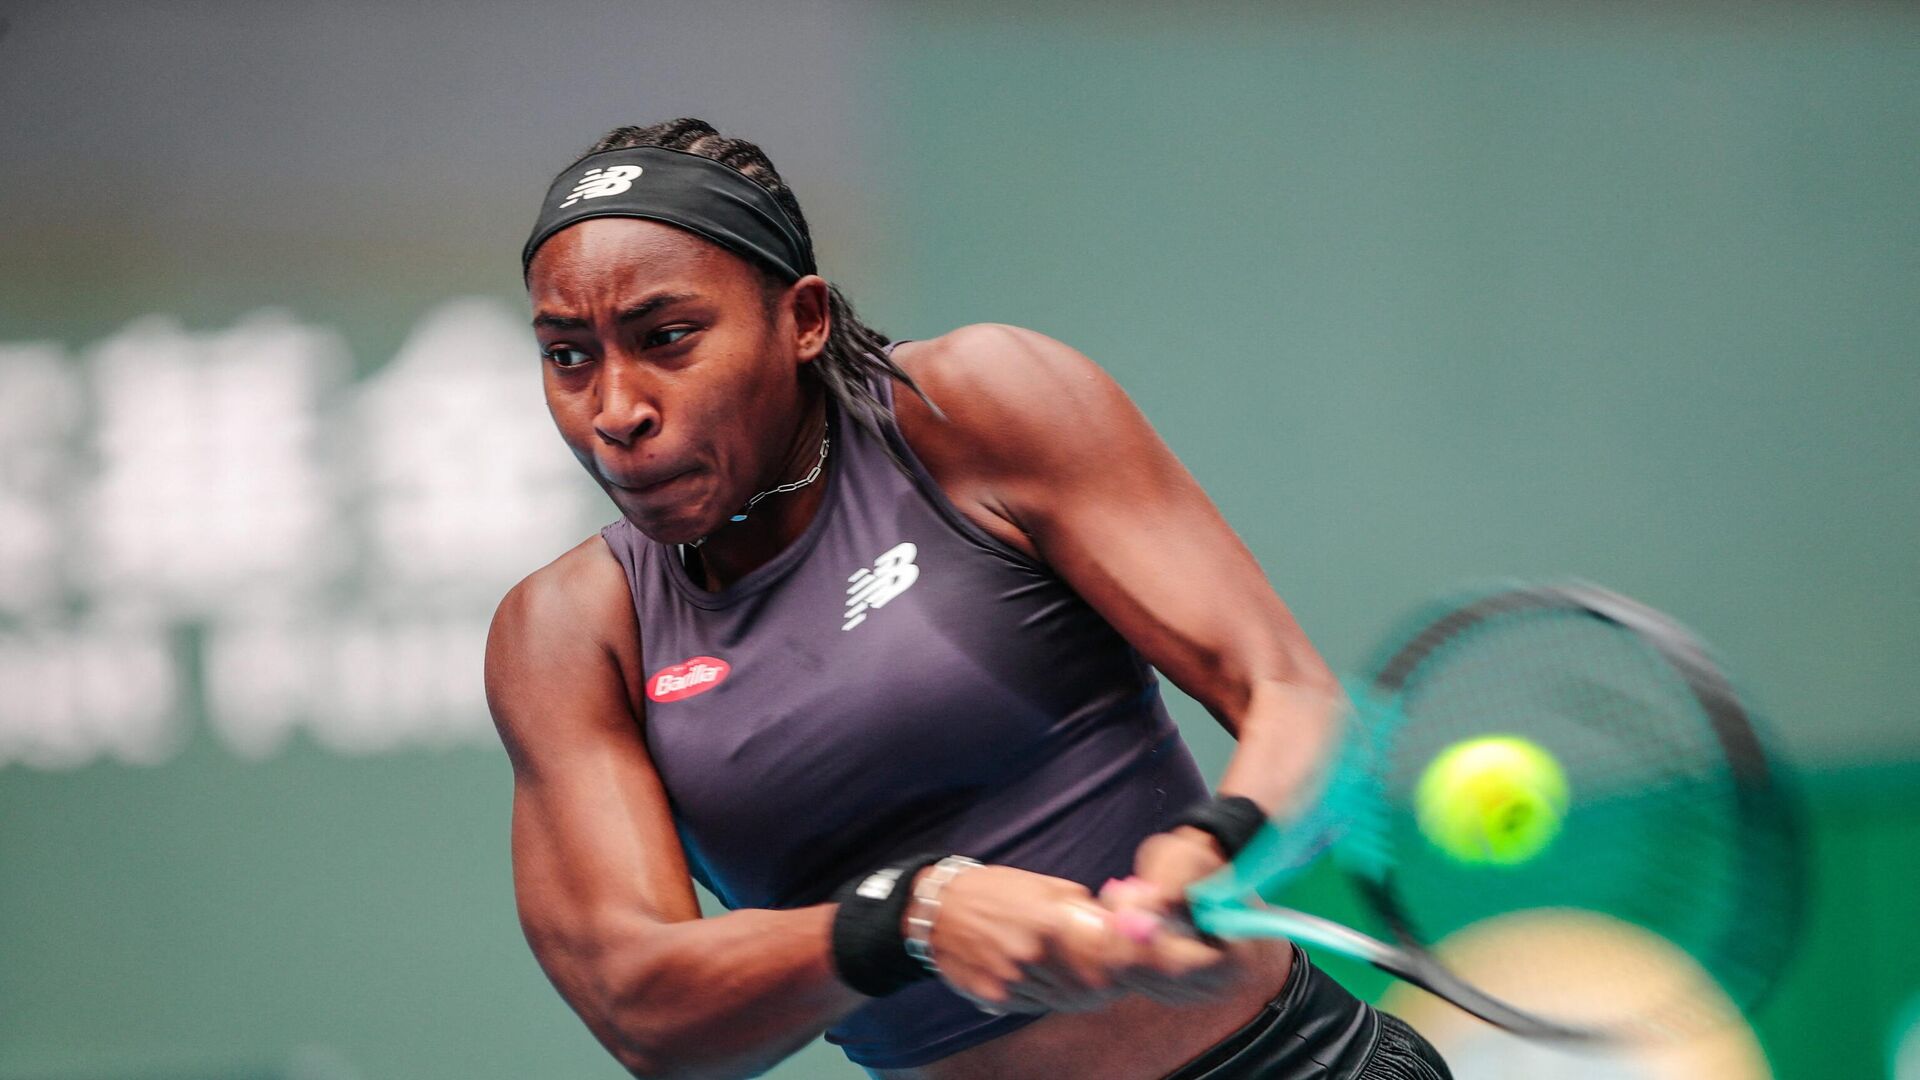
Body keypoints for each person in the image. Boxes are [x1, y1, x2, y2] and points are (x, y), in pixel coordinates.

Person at [486, 118, 1452, 1080]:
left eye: (668, 338)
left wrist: (1214, 847)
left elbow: (1298, 700)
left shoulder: (972, 407)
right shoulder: (566, 633)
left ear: (803, 320)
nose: (616, 410)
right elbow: (644, 1009)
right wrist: (909, 919)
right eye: (568, 356)